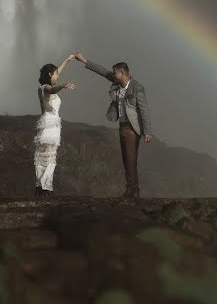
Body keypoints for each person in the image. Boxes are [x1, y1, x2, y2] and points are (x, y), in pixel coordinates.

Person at [73, 52, 152, 197]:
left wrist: (147, 131)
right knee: (126, 159)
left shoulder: (137, 88)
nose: (113, 75)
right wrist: (84, 60)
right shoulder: (117, 82)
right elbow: (102, 71)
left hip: (132, 128)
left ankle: (132, 190)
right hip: (122, 126)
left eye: (115, 73)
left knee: (130, 159)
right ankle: (134, 189)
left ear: (122, 73)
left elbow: (144, 110)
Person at [33, 55, 76, 196]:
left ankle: (39, 186)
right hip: (50, 125)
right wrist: (62, 86)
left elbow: (57, 73)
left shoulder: (43, 86)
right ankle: (45, 187)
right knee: (50, 157)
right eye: (56, 74)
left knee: (42, 156)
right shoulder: (46, 87)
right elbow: (52, 90)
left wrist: (67, 60)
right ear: (50, 74)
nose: (58, 76)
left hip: (46, 124)